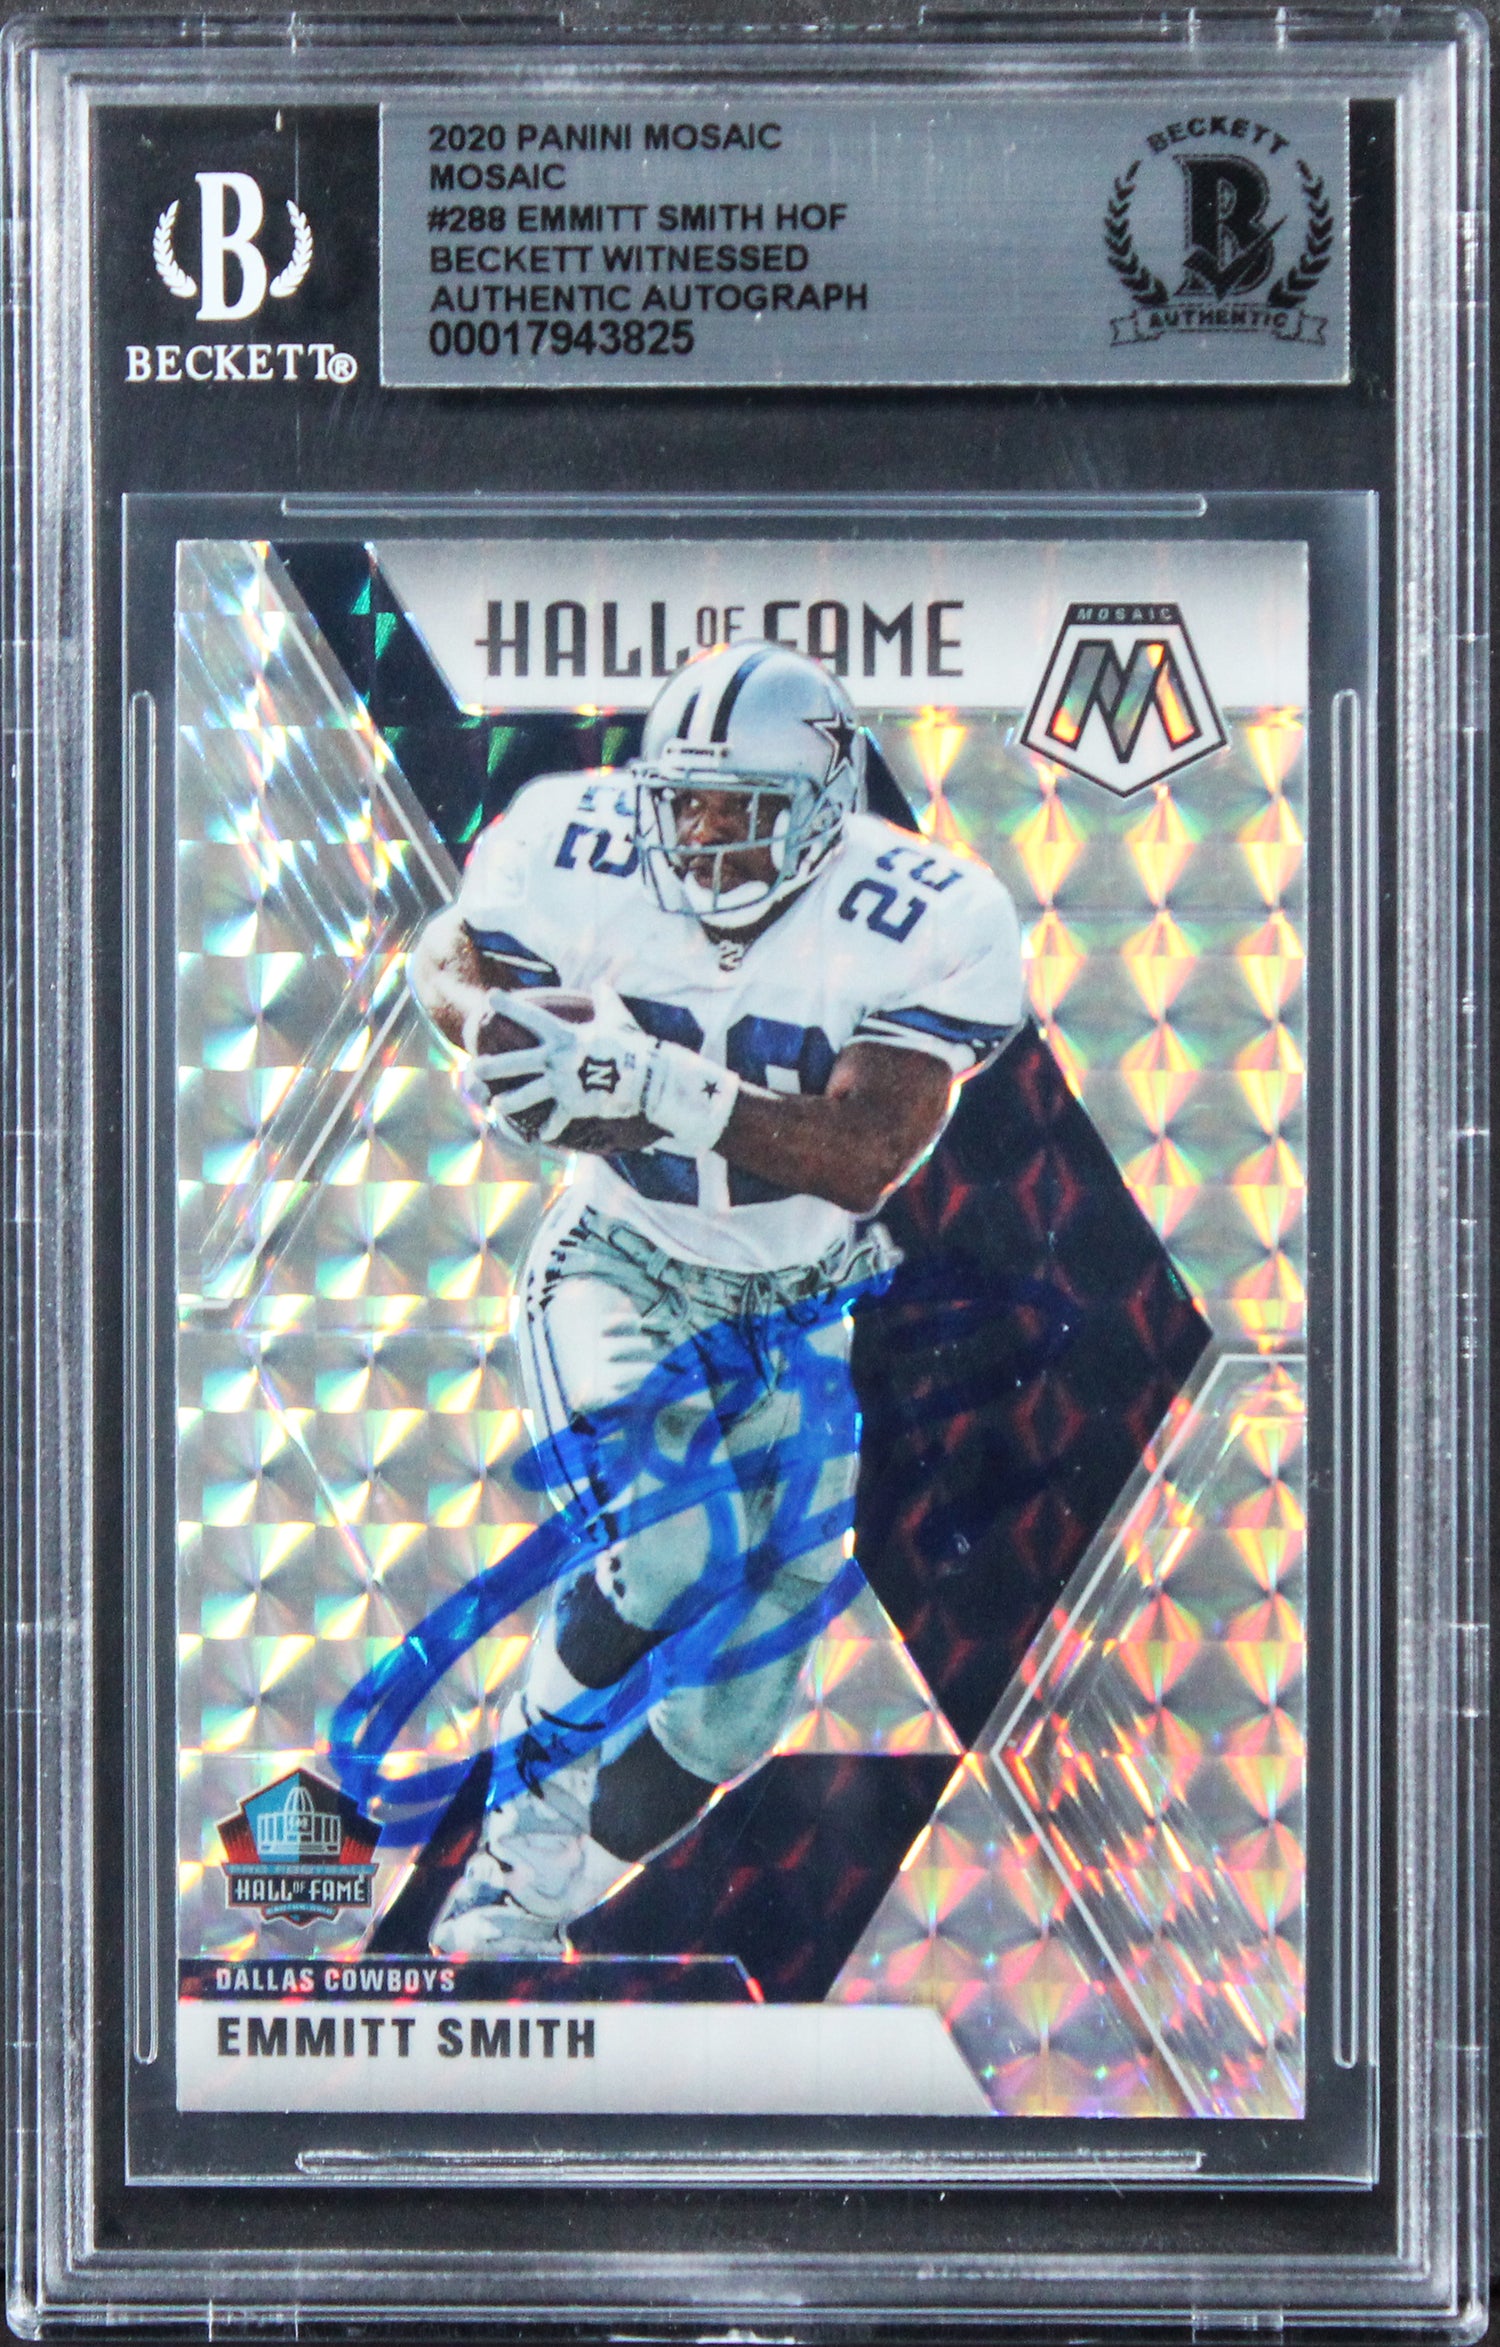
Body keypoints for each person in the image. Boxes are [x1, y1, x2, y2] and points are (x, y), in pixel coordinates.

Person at [407, 640, 1023, 1955]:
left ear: (822, 807)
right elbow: (448, 959)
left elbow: (866, 1152)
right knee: (672, 1549)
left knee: (745, 1698)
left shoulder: (929, 912)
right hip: (620, 1258)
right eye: (682, 805)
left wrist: (661, 1087)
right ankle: (506, 1872)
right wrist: (497, 1030)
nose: (701, 839)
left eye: (738, 811)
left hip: (797, 1306)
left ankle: (544, 1908)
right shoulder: (571, 840)